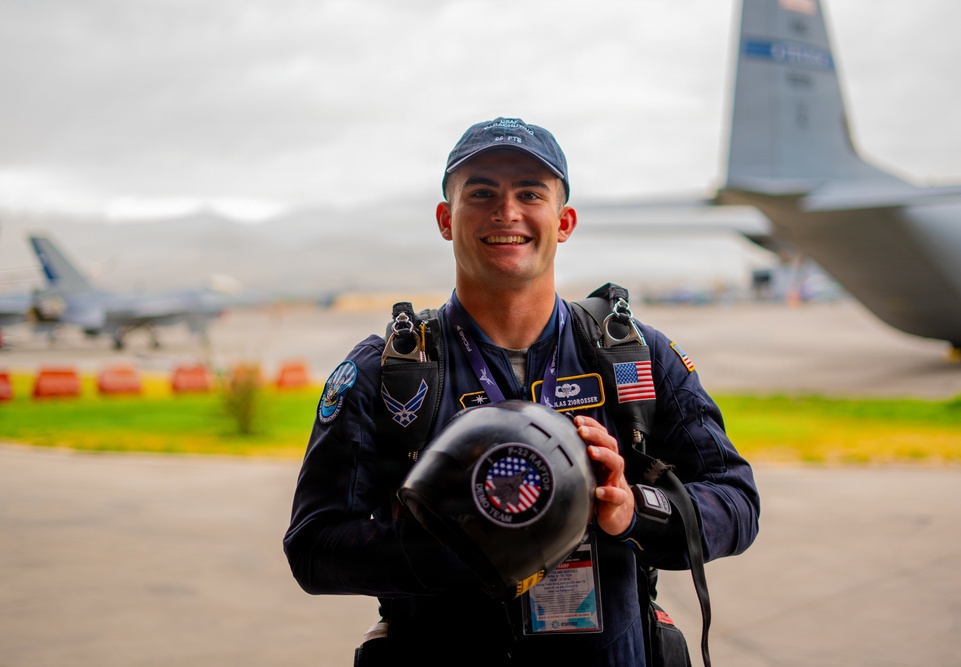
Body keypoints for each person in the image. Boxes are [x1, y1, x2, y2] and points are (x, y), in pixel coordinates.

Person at [283, 117, 760, 666]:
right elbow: (313, 548)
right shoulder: (387, 373)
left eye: (530, 193)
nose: (506, 212)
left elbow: (737, 501)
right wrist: (455, 548)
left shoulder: (637, 358)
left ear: (564, 221)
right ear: (446, 219)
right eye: (481, 192)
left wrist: (634, 510)